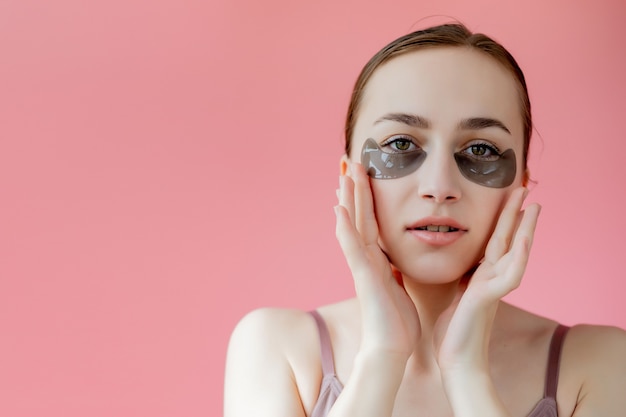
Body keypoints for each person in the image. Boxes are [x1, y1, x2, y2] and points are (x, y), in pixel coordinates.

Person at [223, 23, 626, 417]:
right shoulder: (276, 348)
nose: (439, 186)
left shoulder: (599, 363)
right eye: (400, 144)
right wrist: (382, 356)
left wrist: (466, 371)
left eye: (482, 150)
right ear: (350, 177)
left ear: (520, 184)